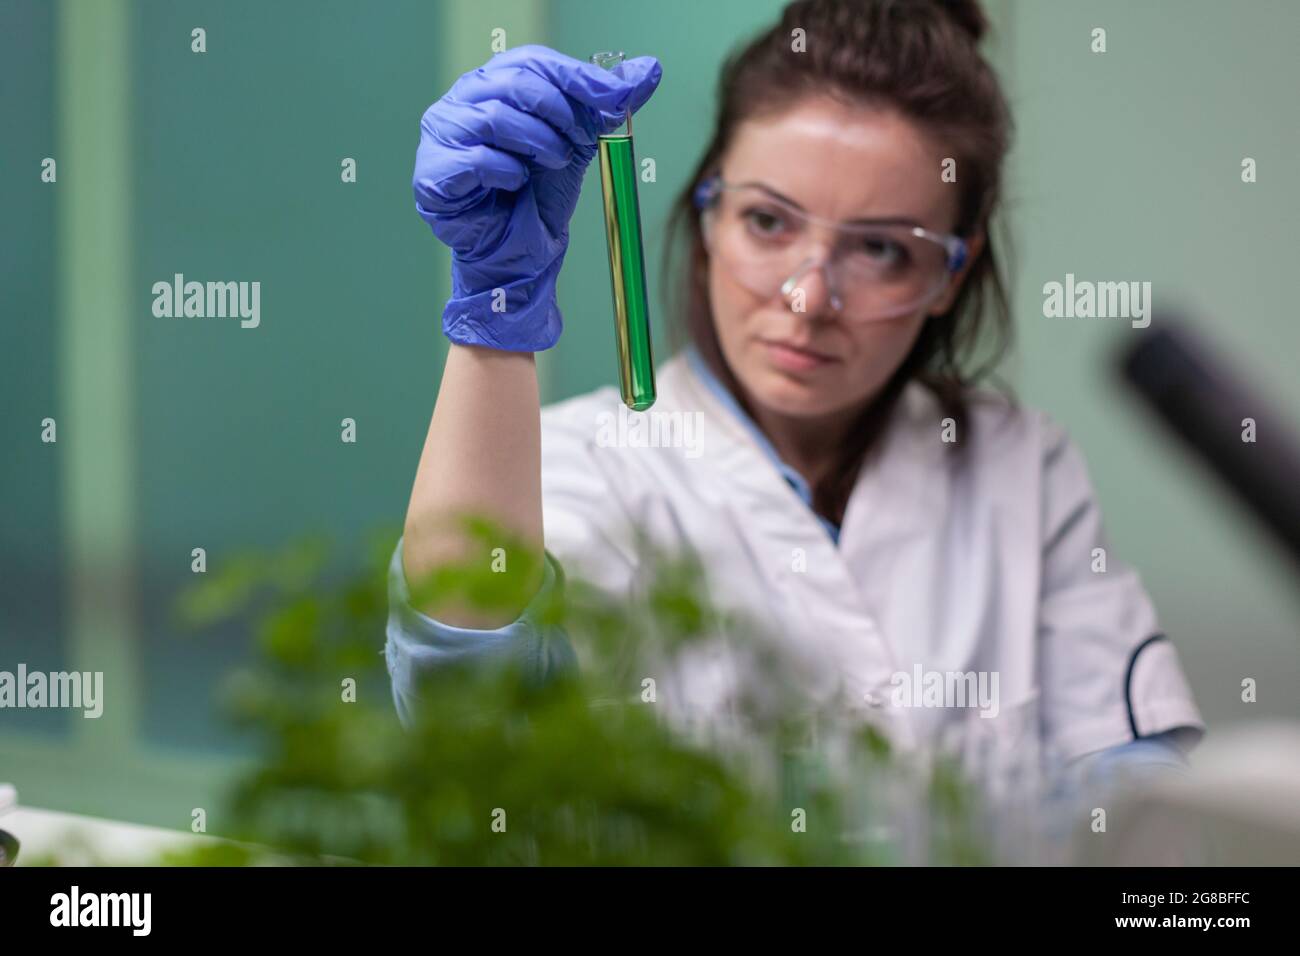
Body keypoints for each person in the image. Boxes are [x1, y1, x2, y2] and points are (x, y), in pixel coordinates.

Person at [388, 0, 1203, 787]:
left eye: (882, 249)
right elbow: (465, 718)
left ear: (952, 270)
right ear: (709, 215)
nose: (809, 299)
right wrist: (493, 318)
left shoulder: (1019, 465)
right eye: (769, 223)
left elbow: (1137, 812)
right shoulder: (584, 466)